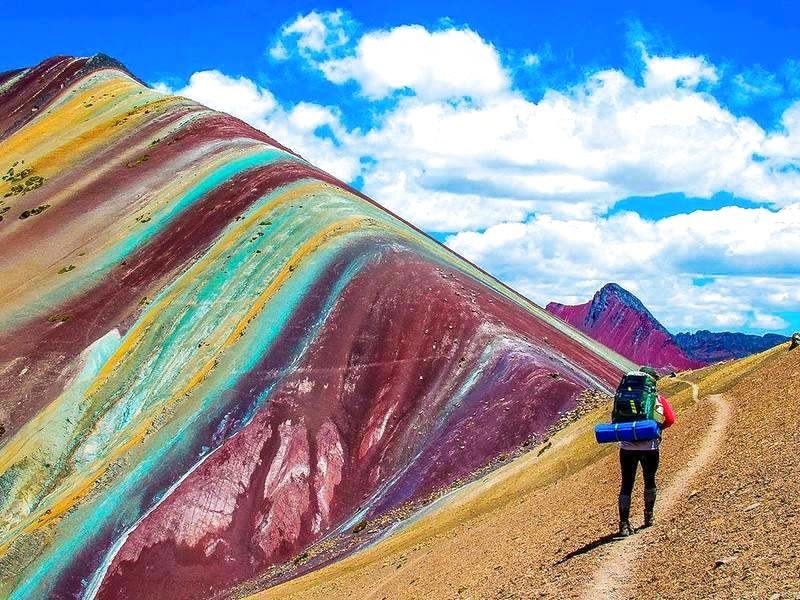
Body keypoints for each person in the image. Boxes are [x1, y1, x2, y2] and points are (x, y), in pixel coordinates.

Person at [617, 366, 675, 536]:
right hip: (650, 447)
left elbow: (616, 419)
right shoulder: (657, 399)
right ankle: (648, 516)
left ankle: (624, 524)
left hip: (627, 447)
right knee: (650, 480)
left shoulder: (624, 396)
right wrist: (655, 429)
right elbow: (670, 419)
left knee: (626, 484)